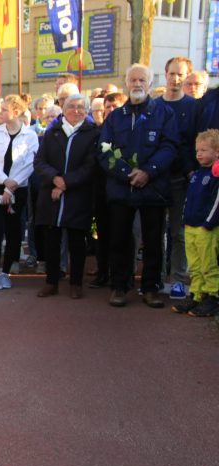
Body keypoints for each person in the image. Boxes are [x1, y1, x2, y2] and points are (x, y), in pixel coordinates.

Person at [99, 64, 179, 308]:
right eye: (132, 80)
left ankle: (151, 288)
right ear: (126, 84)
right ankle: (119, 287)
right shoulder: (114, 117)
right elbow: (104, 151)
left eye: (142, 80)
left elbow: (169, 146)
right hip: (122, 189)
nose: (137, 84)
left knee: (154, 241)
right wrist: (126, 174)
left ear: (150, 84)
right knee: (120, 240)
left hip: (153, 188)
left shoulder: (164, 113)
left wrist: (148, 172)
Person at [33, 94, 100, 299]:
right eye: (71, 106)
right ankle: (51, 282)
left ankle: (76, 284)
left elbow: (90, 167)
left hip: (77, 195)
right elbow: (39, 162)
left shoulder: (93, 134)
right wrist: (55, 179)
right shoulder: (52, 132)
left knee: (77, 242)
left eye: (81, 107)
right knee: (51, 241)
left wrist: (65, 183)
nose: (76, 110)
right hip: (50, 195)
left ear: (87, 111)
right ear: (63, 109)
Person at [0, 95, 39, 291]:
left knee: (13, 231)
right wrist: (5, 182)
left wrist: (9, 188)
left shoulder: (30, 136)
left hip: (17, 189)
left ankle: (6, 274)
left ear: (15, 112)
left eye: (3, 110)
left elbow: (29, 164)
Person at [157, 56, 197, 300]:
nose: (175, 78)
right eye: (172, 73)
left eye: (180, 74)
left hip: (182, 179)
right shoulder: (154, 105)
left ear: (187, 77)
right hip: (157, 178)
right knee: (156, 231)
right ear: (165, 73)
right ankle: (157, 278)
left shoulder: (195, 107)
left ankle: (179, 280)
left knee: (178, 232)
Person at [173, 129, 219, 316]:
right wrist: (185, 220)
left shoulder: (215, 174)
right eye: (197, 150)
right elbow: (189, 198)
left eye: (204, 150)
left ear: (217, 152)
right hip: (191, 226)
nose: (199, 154)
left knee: (208, 265)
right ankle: (197, 296)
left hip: (206, 228)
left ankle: (213, 298)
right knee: (195, 265)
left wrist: (208, 223)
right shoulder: (198, 173)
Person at [89, 92, 128, 289]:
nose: (111, 110)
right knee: (102, 235)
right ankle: (103, 272)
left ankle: (122, 276)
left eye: (115, 106)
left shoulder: (128, 129)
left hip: (122, 189)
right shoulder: (97, 132)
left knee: (122, 235)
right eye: (108, 107)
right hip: (101, 191)